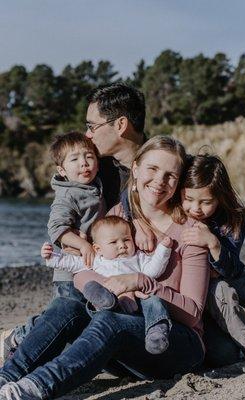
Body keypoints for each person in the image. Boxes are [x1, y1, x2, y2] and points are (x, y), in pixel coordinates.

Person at [0, 136, 210, 400]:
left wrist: (140, 282)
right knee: (68, 307)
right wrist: (107, 289)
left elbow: (192, 314)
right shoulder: (118, 216)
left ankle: (33, 389)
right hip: (126, 342)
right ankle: (6, 377)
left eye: (170, 175)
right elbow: (85, 270)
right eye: (152, 169)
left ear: (178, 182)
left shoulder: (191, 233)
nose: (159, 181)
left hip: (176, 344)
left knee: (111, 321)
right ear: (135, 169)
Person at [0, 83, 146, 360]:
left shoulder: (154, 164)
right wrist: (78, 240)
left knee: (83, 314)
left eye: (92, 126)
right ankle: (21, 338)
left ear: (121, 124)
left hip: (124, 263)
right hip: (87, 263)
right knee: (70, 310)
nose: (88, 136)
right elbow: (63, 212)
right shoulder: (95, 167)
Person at [42, 215, 173, 354]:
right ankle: (105, 301)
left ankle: (156, 331)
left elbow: (153, 271)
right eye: (113, 242)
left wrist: (163, 249)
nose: (122, 245)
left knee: (154, 301)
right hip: (112, 304)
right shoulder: (97, 260)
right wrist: (52, 257)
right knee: (95, 289)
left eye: (127, 239)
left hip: (138, 301)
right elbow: (71, 263)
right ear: (98, 248)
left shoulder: (138, 257)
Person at [180, 154, 245, 363]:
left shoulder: (234, 217)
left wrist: (213, 243)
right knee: (224, 293)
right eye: (188, 199)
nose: (195, 208)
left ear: (220, 197)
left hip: (231, 269)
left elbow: (230, 268)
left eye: (206, 201)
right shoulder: (178, 216)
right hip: (203, 283)